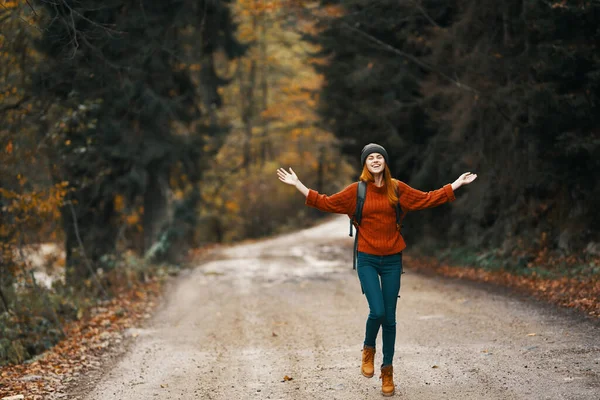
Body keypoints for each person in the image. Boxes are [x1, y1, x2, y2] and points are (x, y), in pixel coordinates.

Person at [277, 143, 477, 397]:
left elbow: (425, 199)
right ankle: (368, 348)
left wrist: (455, 185)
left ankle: (388, 371)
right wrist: (299, 185)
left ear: (385, 162)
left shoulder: (397, 188)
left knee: (390, 319)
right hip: (368, 259)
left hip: (393, 259)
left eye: (379, 156)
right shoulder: (356, 191)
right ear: (365, 164)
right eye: (370, 157)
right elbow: (326, 203)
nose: (375, 160)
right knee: (378, 311)